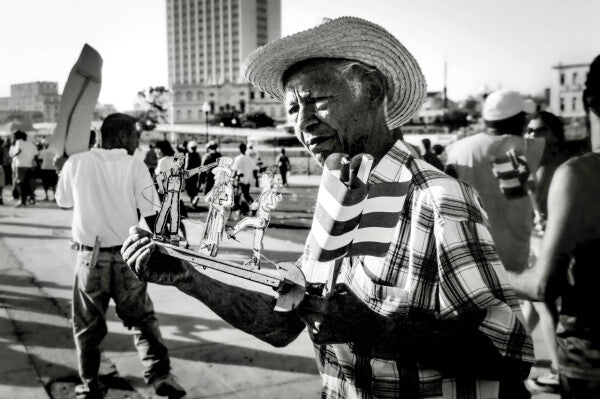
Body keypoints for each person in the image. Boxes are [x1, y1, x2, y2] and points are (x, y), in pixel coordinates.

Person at [122, 17, 533, 399]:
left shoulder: (438, 199)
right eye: (293, 110)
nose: (303, 122)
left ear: (372, 92)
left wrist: (378, 328)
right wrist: (188, 277)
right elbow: (284, 323)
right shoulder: (337, 196)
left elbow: (510, 354)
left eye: (317, 100)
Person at [55, 113, 186, 399]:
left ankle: (89, 385)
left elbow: (63, 201)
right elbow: (153, 215)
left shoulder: (76, 162)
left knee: (87, 326)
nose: (138, 144)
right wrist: (167, 251)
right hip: (129, 256)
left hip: (90, 259)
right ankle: (160, 375)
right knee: (142, 320)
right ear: (123, 136)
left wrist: (61, 170)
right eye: (136, 137)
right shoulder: (133, 165)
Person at [510, 54, 600, 398]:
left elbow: (545, 283)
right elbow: (529, 207)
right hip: (543, 241)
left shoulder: (575, 170)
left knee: (542, 303)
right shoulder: (535, 165)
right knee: (534, 309)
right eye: (528, 130)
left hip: (588, 348)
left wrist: (496, 273)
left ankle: (550, 365)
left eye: (540, 130)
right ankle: (516, 352)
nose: (533, 135)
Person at [445, 90, 541, 275]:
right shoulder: (525, 149)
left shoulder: (457, 149)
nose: (526, 121)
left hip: (468, 260)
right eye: (523, 117)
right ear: (515, 119)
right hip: (512, 261)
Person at [9, 130, 38, 207]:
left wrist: (13, 155)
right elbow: (36, 155)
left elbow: (19, 150)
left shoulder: (19, 142)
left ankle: (22, 201)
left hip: (21, 165)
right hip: (30, 166)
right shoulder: (31, 144)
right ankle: (30, 198)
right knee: (28, 183)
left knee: (20, 183)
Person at [232, 143, 257, 215]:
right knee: (245, 194)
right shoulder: (249, 159)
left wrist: (233, 178)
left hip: (241, 179)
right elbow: (254, 169)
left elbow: (235, 169)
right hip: (248, 179)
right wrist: (255, 179)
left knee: (240, 194)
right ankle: (244, 208)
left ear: (239, 149)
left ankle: (242, 208)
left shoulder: (238, 158)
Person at [184, 141, 201, 207]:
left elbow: (186, 165)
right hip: (196, 173)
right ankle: (194, 202)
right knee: (194, 188)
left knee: (188, 188)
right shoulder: (197, 154)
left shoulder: (188, 155)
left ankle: (194, 198)